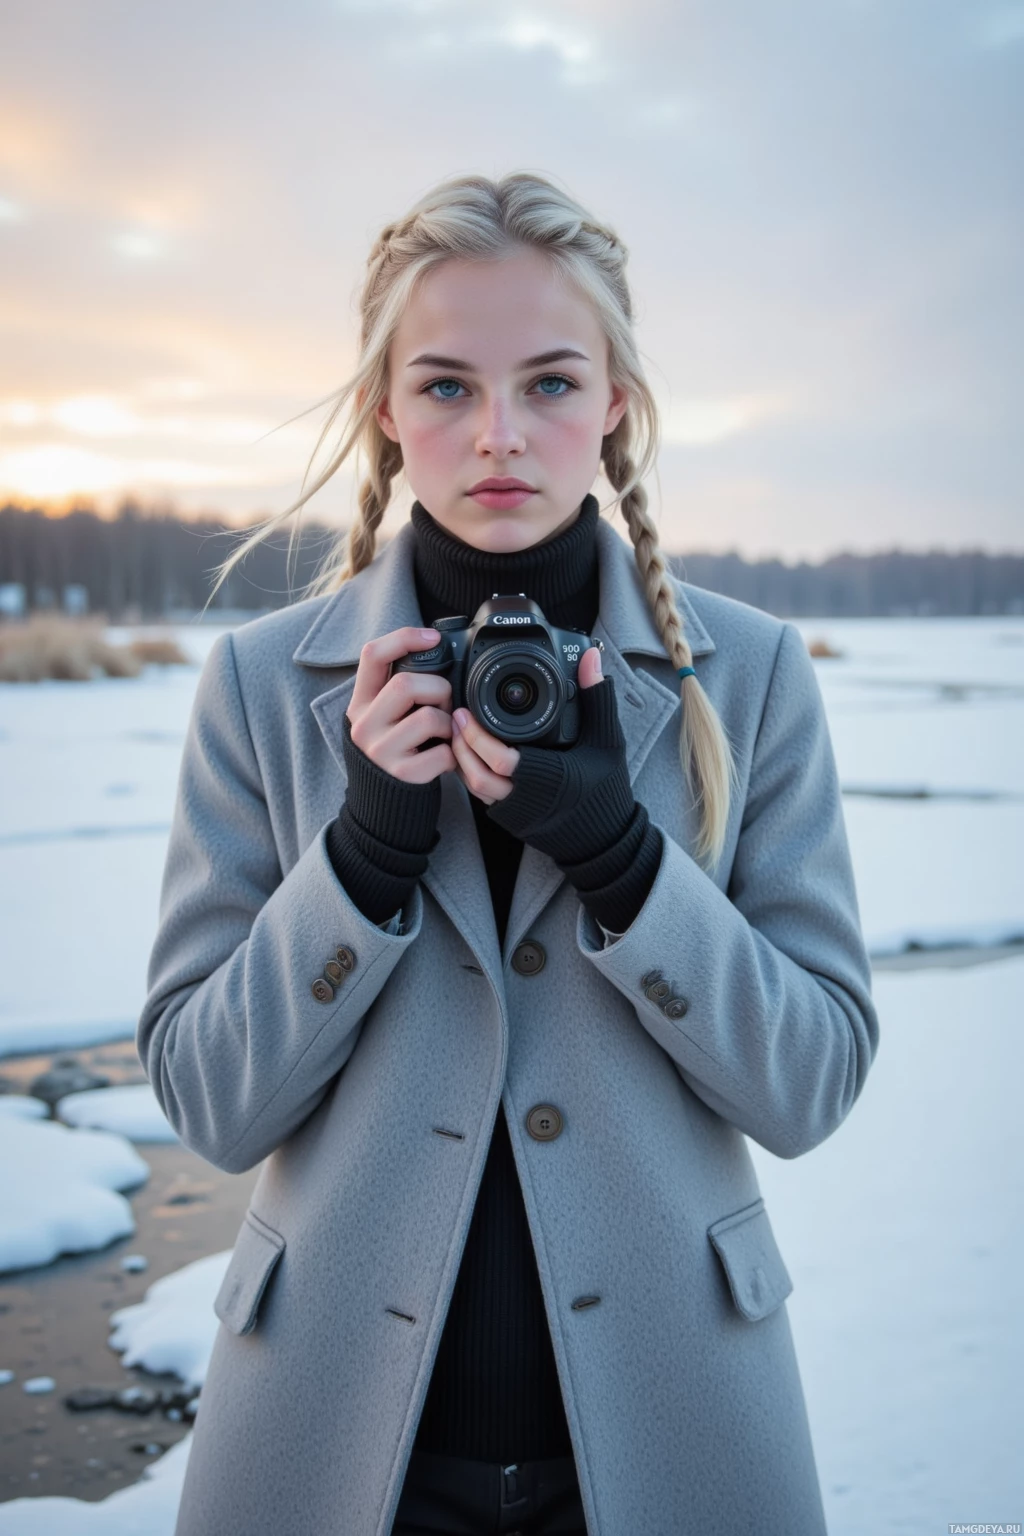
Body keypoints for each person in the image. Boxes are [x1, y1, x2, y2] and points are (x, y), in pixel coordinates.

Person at [138, 171, 880, 1536]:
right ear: (382, 410)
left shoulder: (754, 674)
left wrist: (625, 862)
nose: (498, 435)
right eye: (444, 387)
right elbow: (208, 1103)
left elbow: (814, 1082)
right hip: (335, 1448)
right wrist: (360, 861)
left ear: (615, 407)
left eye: (548, 384)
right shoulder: (258, 687)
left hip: (671, 1445)